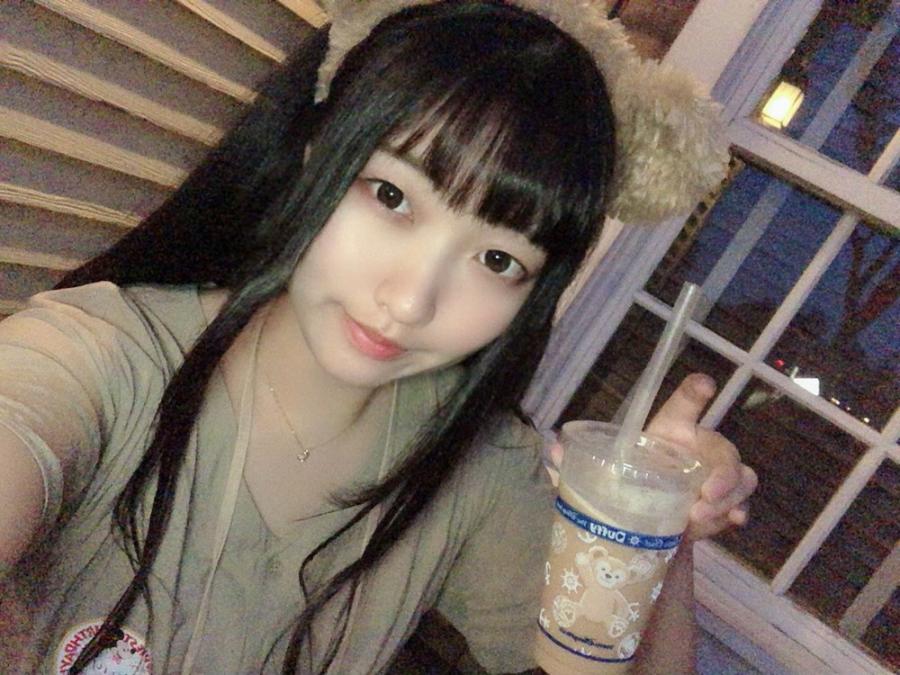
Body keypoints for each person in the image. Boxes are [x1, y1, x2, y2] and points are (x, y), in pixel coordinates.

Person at [0, 1, 756, 673]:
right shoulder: (103, 357)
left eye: (498, 260)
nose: (411, 299)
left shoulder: (478, 469)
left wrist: (663, 526)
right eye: (391, 195)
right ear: (317, 152)